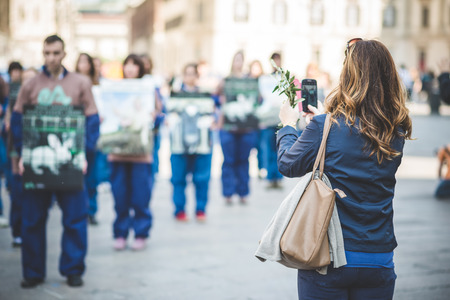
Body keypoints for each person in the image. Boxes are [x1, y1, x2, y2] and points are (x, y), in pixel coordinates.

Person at [277, 38, 412, 299]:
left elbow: (288, 164)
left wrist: (288, 127)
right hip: (379, 256)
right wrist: (322, 124)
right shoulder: (395, 130)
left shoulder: (325, 126)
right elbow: (359, 139)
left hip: (329, 256)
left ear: (348, 75)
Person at [11, 34, 100, 288]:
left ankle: (73, 269)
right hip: (38, 163)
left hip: (67, 165)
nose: (51, 57)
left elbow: (92, 120)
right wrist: (20, 155)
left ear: (64, 54)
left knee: (74, 216)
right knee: (33, 219)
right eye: (47, 53)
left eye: (56, 53)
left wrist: (84, 153)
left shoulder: (80, 83)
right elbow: (18, 122)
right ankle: (33, 272)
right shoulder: (30, 85)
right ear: (43, 54)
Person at [109, 54, 158, 251]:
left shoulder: (148, 90)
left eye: (134, 65)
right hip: (118, 150)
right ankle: (120, 233)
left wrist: (154, 114)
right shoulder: (114, 89)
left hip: (140, 152)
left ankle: (140, 232)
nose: (130, 68)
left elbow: (159, 114)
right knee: (119, 193)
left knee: (140, 194)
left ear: (140, 68)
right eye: (126, 65)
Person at [170, 63, 212, 222]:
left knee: (201, 179)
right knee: (178, 179)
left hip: (201, 145)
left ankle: (200, 209)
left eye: (192, 73)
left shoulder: (205, 95)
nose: (190, 77)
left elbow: (211, 115)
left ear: (197, 76)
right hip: (179, 146)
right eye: (186, 73)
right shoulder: (175, 95)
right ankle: (179, 209)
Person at [216, 51, 258, 205]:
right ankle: (228, 192)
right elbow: (216, 100)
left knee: (244, 160)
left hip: (246, 127)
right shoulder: (225, 81)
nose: (238, 63)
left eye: (241, 60)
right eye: (236, 60)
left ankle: (243, 191)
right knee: (228, 160)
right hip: (228, 126)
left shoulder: (251, 81)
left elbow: (257, 101)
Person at [75, 53, 102, 225]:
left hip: (93, 133)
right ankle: (80, 210)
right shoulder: (71, 84)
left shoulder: (98, 85)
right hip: (77, 132)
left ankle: (91, 209)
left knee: (92, 176)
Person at [4, 61, 24, 247]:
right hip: (16, 156)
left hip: (32, 157)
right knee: (16, 192)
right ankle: (17, 231)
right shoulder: (13, 98)